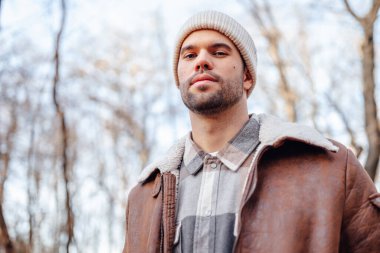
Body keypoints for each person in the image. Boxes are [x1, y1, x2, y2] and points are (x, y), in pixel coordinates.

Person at [122, 10, 380, 253]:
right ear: (179, 80)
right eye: (189, 56)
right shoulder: (143, 198)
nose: (201, 61)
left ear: (247, 76)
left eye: (219, 53)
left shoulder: (331, 168)